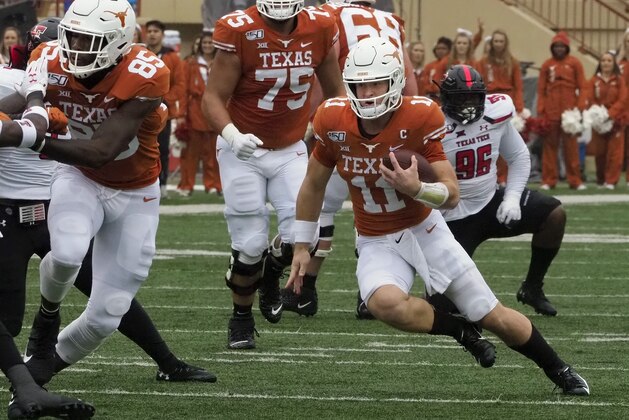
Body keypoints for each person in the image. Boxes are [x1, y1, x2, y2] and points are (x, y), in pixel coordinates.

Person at [288, 36, 590, 396]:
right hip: (375, 238)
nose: (367, 93)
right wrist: (301, 246)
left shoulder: (419, 115)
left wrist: (415, 188)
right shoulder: (333, 117)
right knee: (381, 303)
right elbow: (312, 186)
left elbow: (450, 194)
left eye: (375, 83)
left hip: (425, 229)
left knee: (492, 315)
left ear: (395, 81)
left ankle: (560, 369)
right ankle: (459, 331)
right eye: (360, 84)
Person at [0, 0, 211, 390]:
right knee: (66, 253)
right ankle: (47, 318)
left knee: (109, 311)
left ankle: (38, 371)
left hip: (135, 191)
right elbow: (11, 108)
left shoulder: (146, 73)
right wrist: (12, 122)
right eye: (73, 35)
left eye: (89, 39)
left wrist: (32, 137)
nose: (77, 46)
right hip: (79, 178)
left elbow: (101, 152)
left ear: (118, 42)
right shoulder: (49, 58)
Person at [201, 0, 345, 349]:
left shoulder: (321, 26)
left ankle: (269, 276)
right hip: (242, 149)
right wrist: (233, 136)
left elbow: (336, 95)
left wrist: (326, 128)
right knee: (249, 245)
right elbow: (212, 98)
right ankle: (241, 319)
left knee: (305, 235)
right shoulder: (239, 29)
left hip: (290, 147)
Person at [279, 0, 417, 317]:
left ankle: (305, 289)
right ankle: (372, 291)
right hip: (390, 119)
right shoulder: (389, 21)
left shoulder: (327, 17)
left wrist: (317, 119)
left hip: (348, 119)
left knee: (323, 205)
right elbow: (408, 79)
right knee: (377, 207)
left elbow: (321, 68)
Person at [426, 64, 566, 317]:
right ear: (446, 98)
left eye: (474, 97)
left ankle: (532, 288)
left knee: (554, 215)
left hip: (491, 202)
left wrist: (512, 198)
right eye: (461, 97)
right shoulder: (431, 126)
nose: (469, 104)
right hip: (452, 217)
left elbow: (519, 157)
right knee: (444, 307)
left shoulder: (495, 114)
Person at [474, 29, 525, 186]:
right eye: (495, 41)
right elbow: (479, 84)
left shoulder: (512, 62)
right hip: (489, 103)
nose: (498, 44)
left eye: (501, 41)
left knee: (507, 142)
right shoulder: (483, 62)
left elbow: (518, 86)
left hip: (506, 102)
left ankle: (504, 177)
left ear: (505, 43)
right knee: (490, 142)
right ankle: (493, 177)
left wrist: (519, 108)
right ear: (491, 43)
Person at [537, 31, 587, 190]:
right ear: (552, 47)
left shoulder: (575, 63)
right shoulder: (546, 65)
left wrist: (578, 108)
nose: (559, 49)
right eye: (556, 46)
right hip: (551, 113)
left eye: (562, 46)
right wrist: (541, 111)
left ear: (566, 47)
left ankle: (575, 181)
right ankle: (549, 180)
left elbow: (583, 87)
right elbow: (541, 90)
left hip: (569, 114)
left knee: (571, 148)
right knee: (550, 148)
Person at [177, 31, 222, 196]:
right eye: (205, 43)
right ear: (200, 45)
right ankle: (186, 186)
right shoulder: (190, 63)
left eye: (211, 43)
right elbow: (183, 90)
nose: (208, 46)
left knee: (214, 152)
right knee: (190, 153)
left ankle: (214, 185)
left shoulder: (222, 62)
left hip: (216, 110)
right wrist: (182, 113)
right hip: (195, 110)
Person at [145, 20, 186, 199]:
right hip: (139, 109)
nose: (152, 34)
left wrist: (164, 99)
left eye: (156, 31)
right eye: (150, 31)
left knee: (161, 150)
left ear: (162, 34)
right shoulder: (139, 53)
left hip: (162, 112)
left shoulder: (172, 57)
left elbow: (180, 84)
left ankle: (162, 184)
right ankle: (143, 184)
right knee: (140, 149)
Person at [583, 51, 627, 189]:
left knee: (615, 153)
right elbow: (589, 97)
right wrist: (597, 114)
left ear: (614, 64)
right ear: (600, 63)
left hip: (616, 120)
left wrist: (610, 114)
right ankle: (601, 180)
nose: (606, 63)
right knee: (600, 152)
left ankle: (611, 181)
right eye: (603, 60)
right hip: (599, 121)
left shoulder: (619, 80)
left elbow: (623, 99)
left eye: (609, 60)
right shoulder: (594, 80)